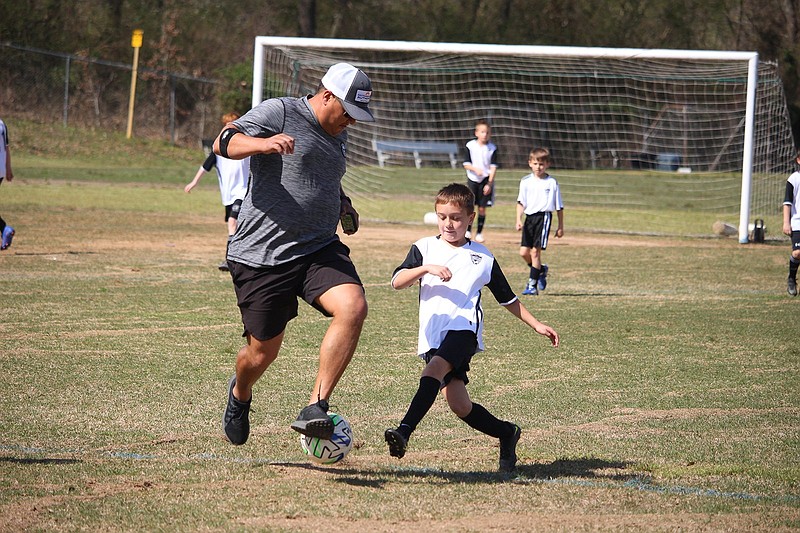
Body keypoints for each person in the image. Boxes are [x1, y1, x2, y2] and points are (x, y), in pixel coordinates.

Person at [212, 62, 374, 445]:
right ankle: (240, 393)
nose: (351, 122)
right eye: (348, 113)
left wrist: (343, 205)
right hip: (262, 254)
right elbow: (223, 141)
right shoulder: (281, 111)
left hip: (318, 247)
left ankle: (316, 406)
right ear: (328, 96)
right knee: (261, 353)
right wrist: (262, 144)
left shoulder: (337, 134)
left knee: (353, 306)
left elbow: (324, 178)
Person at [384, 183, 559, 472]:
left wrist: (536, 324)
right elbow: (396, 281)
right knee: (459, 405)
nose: (448, 223)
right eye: (442, 216)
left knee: (432, 372)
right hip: (432, 335)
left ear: (470, 218)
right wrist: (426, 268)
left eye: (455, 217)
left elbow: (508, 299)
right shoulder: (424, 247)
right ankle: (507, 432)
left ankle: (403, 431)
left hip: (464, 330)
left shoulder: (483, 257)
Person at [185, 112, 250, 271]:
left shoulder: (247, 145)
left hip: (243, 192)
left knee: (233, 222)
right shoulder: (219, 149)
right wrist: (194, 182)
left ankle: (230, 259)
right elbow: (205, 166)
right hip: (228, 194)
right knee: (234, 225)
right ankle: (238, 257)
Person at [515, 147, 564, 296]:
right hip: (529, 218)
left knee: (535, 252)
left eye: (542, 164)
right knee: (524, 252)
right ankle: (541, 270)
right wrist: (518, 219)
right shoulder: (525, 182)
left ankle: (532, 285)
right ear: (530, 163)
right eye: (535, 163)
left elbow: (559, 207)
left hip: (544, 218)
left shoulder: (552, 183)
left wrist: (560, 226)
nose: (538, 167)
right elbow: (520, 202)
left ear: (547, 164)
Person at [462, 119, 498, 243]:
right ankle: (467, 230)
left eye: (487, 132)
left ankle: (479, 233)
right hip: (473, 179)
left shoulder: (492, 148)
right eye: (482, 132)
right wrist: (474, 169)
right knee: (470, 206)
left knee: (482, 208)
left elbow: (493, 167)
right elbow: (466, 164)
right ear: (476, 133)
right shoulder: (470, 146)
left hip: (485, 181)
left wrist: (489, 183)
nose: (485, 134)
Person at [783, 149, 800, 297]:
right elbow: (787, 203)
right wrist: (786, 223)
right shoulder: (793, 179)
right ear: (798, 160)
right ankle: (791, 278)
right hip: (797, 223)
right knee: (797, 252)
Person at [0, 118, 15, 251]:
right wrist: (8, 169)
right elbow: (6, 148)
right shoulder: (2, 123)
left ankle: (5, 228)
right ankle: (5, 229)